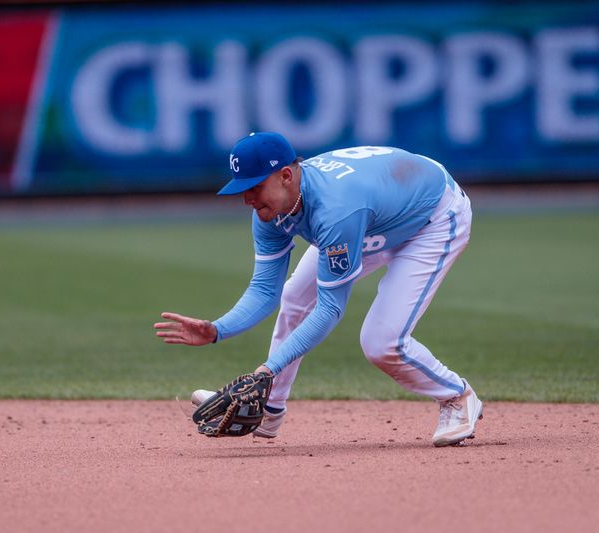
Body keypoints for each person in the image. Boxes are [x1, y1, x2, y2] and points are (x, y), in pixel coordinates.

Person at [154, 132, 483, 447]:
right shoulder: (272, 210)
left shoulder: (336, 211)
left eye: (254, 187)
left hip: (431, 218)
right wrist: (217, 329)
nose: (247, 199)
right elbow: (265, 291)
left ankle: (457, 396)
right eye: (243, 189)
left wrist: (267, 370)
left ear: (285, 175)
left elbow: (329, 309)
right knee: (294, 297)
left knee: (381, 343)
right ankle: (270, 411)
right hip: (377, 213)